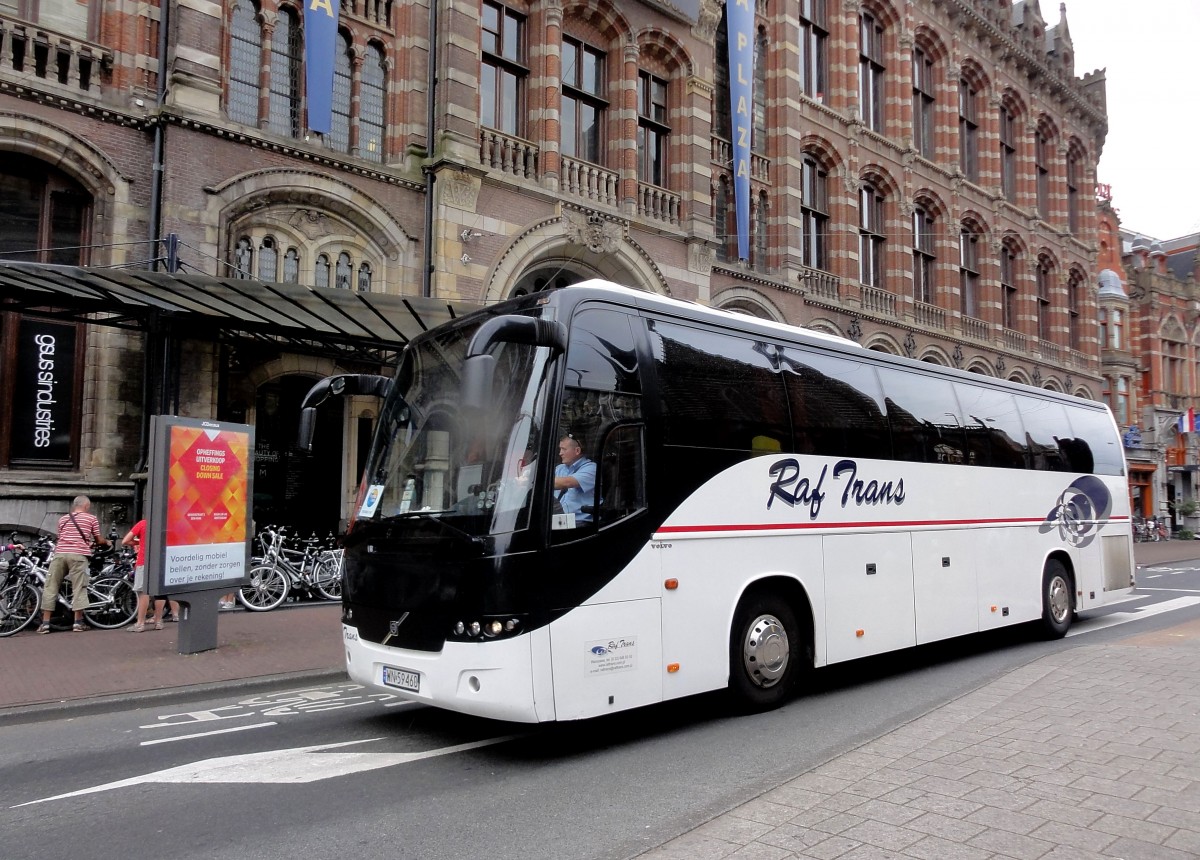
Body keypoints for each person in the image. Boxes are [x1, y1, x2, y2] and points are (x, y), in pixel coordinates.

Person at [38, 495, 110, 634]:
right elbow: (98, 539)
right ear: (86, 506)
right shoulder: (91, 518)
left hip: (59, 554)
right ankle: (78, 623)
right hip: (78, 555)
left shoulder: (63, 519)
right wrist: (107, 542)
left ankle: (45, 624)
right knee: (79, 587)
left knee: (50, 586)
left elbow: (62, 537)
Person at [122, 519, 181, 631]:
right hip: (162, 561)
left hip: (145, 561)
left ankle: (140, 623)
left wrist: (140, 542)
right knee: (160, 592)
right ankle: (158, 621)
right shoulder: (167, 523)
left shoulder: (143, 523)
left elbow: (125, 540)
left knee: (143, 592)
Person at [553, 434, 597, 523]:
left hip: (580, 523)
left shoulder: (591, 468)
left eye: (564, 449)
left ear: (577, 451)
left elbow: (567, 482)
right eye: (560, 449)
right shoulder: (560, 468)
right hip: (560, 520)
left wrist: (536, 481)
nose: (560, 453)